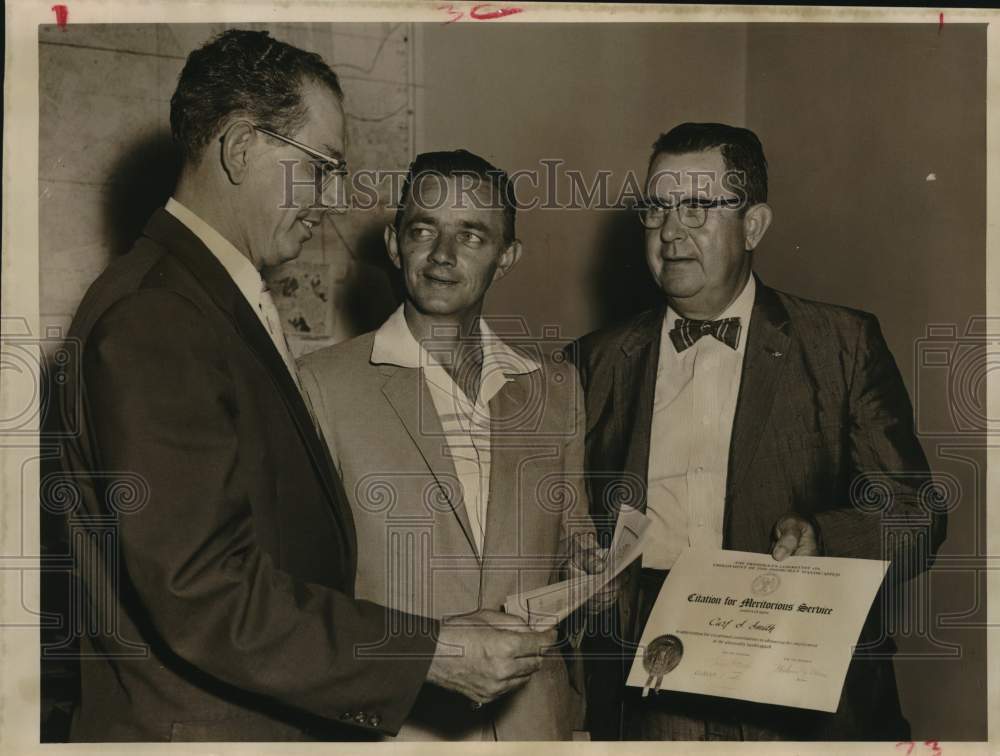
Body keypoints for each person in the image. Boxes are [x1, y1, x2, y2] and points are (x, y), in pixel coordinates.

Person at [58, 31, 554, 743]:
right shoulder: (158, 316)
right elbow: (204, 592)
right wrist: (432, 650)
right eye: (320, 167)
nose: (329, 197)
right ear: (238, 148)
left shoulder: (197, 297)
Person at [574, 122, 946, 741]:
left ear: (753, 226)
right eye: (657, 209)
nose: (671, 232)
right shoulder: (591, 363)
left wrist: (824, 536)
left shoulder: (843, 344)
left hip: (804, 700)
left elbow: (917, 514)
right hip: (651, 698)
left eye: (697, 207)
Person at [298, 149, 607, 740]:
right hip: (399, 731)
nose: (443, 256)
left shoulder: (557, 387)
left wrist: (593, 580)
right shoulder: (322, 386)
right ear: (394, 245)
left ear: (507, 257)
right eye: (424, 230)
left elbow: (574, 541)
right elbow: (307, 598)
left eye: (472, 235)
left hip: (534, 727)